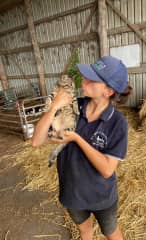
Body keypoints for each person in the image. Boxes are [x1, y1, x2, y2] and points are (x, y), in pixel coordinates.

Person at [32, 56, 132, 240]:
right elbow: (36, 141)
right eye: (86, 76)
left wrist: (77, 138)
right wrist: (53, 108)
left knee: (111, 233)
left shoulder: (117, 123)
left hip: (102, 196)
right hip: (73, 192)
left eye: (92, 80)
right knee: (85, 232)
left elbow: (107, 169)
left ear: (108, 90)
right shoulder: (74, 106)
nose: (83, 81)